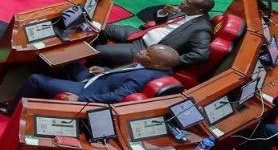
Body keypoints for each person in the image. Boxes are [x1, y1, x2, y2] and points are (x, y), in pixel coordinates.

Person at [11, 44, 181, 106]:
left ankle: (11, 110)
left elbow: (117, 97)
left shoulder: (142, 77)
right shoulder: (154, 66)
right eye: (146, 50)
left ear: (158, 64)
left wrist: (81, 100)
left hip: (86, 90)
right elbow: (125, 72)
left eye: (148, 54)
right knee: (70, 55)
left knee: (35, 79)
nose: (142, 52)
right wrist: (106, 70)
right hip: (97, 78)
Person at [94, 0, 215, 67]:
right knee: (102, 28)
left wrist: (166, 61)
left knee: (96, 51)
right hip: (140, 34)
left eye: (187, 2)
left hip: (145, 48)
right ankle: (103, 61)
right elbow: (159, 22)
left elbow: (200, 55)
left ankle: (97, 62)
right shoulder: (184, 11)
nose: (183, 2)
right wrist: (163, 12)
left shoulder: (201, 29)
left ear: (199, 10)